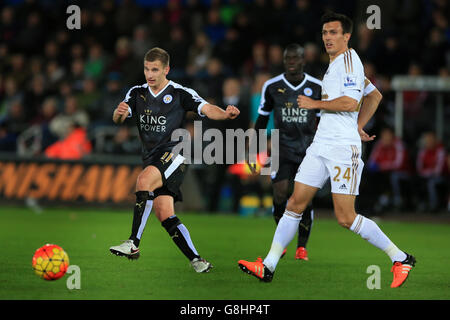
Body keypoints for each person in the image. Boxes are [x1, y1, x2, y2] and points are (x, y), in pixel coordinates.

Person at [238, 12, 415, 288]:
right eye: (324, 33)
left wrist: (315, 105)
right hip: (321, 144)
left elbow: (347, 102)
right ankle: (268, 265)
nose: (328, 38)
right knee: (295, 203)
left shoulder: (348, 61)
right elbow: (374, 95)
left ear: (347, 36)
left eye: (334, 32)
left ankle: (400, 258)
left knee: (345, 217)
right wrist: (357, 125)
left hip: (342, 148)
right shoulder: (337, 64)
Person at [109, 47, 240, 273]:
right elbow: (118, 118)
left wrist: (225, 114)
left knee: (143, 181)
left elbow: (207, 108)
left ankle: (133, 243)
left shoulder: (180, 93)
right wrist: (119, 113)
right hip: (152, 156)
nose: (149, 74)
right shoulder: (136, 92)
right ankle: (197, 260)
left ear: (166, 70)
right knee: (164, 213)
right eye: (146, 69)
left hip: (176, 152)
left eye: (155, 70)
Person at [251, 43, 323, 261]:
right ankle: (281, 242)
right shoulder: (272, 86)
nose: (291, 62)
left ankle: (302, 247)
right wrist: (253, 148)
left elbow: (323, 120)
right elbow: (262, 118)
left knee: (304, 199)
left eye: (296, 58)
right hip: (281, 149)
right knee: (280, 193)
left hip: (309, 151)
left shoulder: (317, 86)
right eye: (288, 58)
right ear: (283, 61)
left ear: (303, 60)